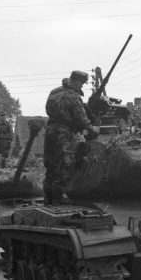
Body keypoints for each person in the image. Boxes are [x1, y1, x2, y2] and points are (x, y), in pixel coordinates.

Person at [43, 70, 100, 205]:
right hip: (63, 134)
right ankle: (57, 198)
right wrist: (92, 128)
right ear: (77, 81)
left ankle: (48, 197)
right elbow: (81, 118)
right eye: (81, 83)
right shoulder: (73, 96)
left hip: (50, 130)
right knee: (65, 164)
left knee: (50, 164)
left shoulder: (54, 92)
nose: (82, 86)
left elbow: (48, 109)